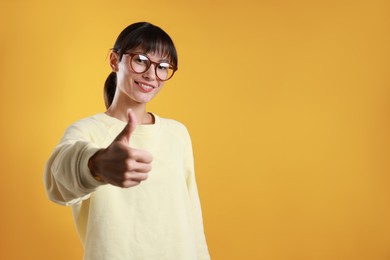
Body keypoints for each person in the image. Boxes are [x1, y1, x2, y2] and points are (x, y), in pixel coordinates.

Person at [44, 22, 210, 260]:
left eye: (163, 66)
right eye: (141, 60)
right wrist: (95, 165)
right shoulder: (87, 131)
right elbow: (56, 182)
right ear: (115, 60)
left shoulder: (177, 134)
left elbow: (193, 216)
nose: (151, 74)